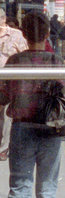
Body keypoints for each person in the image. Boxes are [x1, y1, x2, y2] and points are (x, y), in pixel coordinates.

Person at [0, 12, 65, 198]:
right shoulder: (56, 61)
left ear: (23, 33)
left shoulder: (13, 62)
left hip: (22, 128)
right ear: (46, 35)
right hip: (51, 130)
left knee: (19, 185)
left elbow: (2, 96)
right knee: (47, 188)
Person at [0, 16, 28, 162]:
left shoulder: (16, 35)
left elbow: (26, 53)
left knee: (6, 115)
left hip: (8, 81)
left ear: (3, 19)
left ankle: (3, 149)